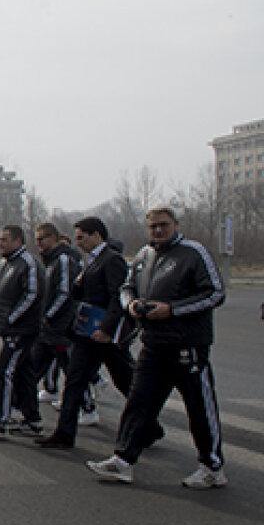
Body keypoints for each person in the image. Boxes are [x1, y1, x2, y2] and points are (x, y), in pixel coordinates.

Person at [87, 206, 228, 488]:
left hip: (187, 346)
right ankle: (123, 460)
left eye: (163, 225)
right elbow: (126, 288)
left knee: (199, 408)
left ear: (175, 224)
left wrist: (172, 310)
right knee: (139, 403)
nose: (158, 231)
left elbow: (215, 293)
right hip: (153, 345)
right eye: (153, 227)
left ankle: (212, 466)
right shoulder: (143, 255)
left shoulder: (193, 252)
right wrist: (133, 305)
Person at [36, 217, 161, 449]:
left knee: (127, 382)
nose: (78, 242)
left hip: (106, 335)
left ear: (97, 235)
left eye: (81, 237)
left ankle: (150, 426)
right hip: (86, 333)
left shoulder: (112, 260)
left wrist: (107, 329)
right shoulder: (91, 261)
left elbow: (118, 296)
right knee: (75, 380)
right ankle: (64, 433)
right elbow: (80, 293)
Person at [0, 225, 45, 438]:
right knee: (24, 374)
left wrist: (11, 320)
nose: (0, 243)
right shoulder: (4, 264)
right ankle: (33, 420)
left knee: (4, 372)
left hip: (21, 330)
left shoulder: (29, 264)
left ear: (18, 241)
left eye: (5, 240)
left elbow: (32, 296)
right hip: (8, 329)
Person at [28, 224, 81, 406]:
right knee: (33, 366)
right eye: (36, 240)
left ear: (53, 238)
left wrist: (49, 316)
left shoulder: (64, 260)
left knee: (71, 369)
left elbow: (65, 292)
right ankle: (17, 403)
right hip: (48, 329)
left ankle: (87, 407)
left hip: (61, 328)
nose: (38, 243)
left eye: (41, 239)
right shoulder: (49, 261)